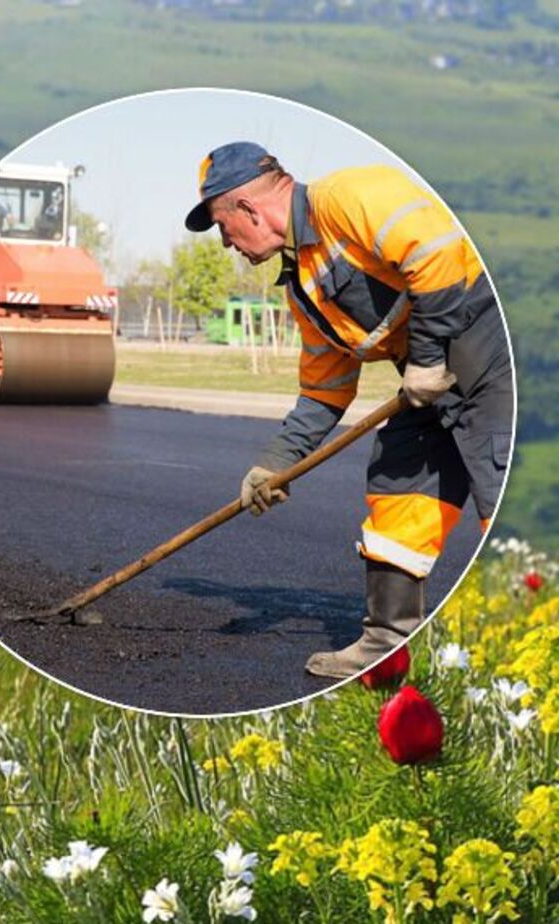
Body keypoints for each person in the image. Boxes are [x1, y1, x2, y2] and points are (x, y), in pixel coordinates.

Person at [182, 141, 513, 679]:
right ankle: (387, 644)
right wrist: (274, 463)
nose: (225, 244)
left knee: (499, 486)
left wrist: (427, 358)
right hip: (424, 381)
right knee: (399, 477)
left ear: (248, 208)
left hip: (491, 356)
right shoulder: (304, 285)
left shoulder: (348, 197)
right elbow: (324, 390)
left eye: (223, 226)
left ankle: (518, 643)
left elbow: (439, 253)